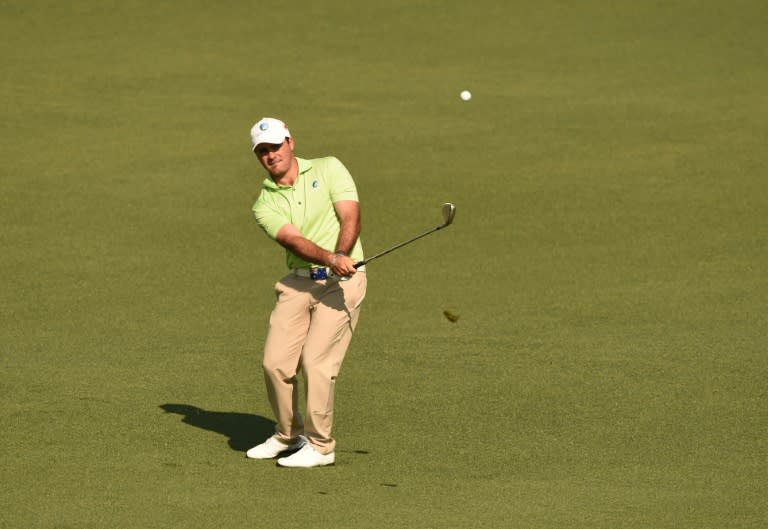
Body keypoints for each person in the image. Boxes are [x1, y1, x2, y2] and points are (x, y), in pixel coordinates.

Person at [245, 117, 367, 468]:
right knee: (275, 364)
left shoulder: (329, 168)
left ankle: (321, 446)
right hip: (299, 281)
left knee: (315, 362)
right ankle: (288, 434)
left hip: (343, 282)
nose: (271, 155)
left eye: (276, 146)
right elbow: (293, 241)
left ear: (290, 142)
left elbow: (350, 216)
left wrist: (341, 256)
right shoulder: (263, 204)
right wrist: (330, 257)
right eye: (263, 151)